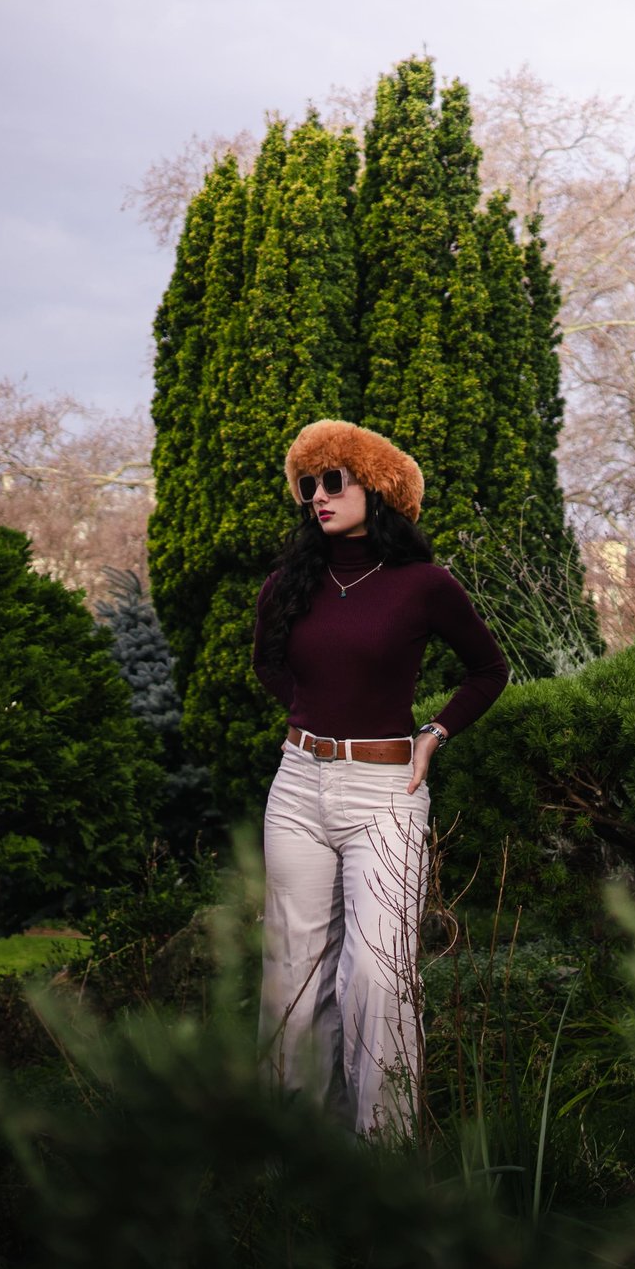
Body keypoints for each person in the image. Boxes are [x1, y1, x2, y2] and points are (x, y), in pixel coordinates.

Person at [251, 419, 509, 1137]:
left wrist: (435, 732)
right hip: (298, 787)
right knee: (293, 978)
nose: (319, 496)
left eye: (335, 480)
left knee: (378, 977)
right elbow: (268, 664)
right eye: (309, 484)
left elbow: (489, 669)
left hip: (385, 793)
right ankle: (302, 1159)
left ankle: (385, 1160)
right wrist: (313, 723)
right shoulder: (290, 581)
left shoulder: (424, 585)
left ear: (379, 490)